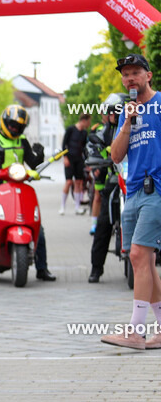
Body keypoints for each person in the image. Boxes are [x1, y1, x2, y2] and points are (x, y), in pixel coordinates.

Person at [102, 54, 161, 349]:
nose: (130, 79)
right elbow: (115, 156)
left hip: (158, 191)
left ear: (148, 75)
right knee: (145, 262)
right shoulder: (128, 112)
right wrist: (127, 122)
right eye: (125, 75)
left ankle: (135, 332)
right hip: (134, 191)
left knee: (138, 256)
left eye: (136, 72)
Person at [0, 105, 55, 281]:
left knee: (36, 225)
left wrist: (39, 155)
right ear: (5, 122)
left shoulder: (22, 140)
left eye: (18, 126)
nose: (14, 128)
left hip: (17, 185)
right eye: (12, 124)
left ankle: (42, 268)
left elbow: (33, 164)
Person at [88, 94, 125, 282]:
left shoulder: (135, 127)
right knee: (103, 223)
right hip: (114, 180)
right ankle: (96, 268)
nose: (107, 116)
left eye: (111, 113)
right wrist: (98, 156)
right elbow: (93, 148)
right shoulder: (104, 132)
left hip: (135, 180)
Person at [61, 113, 91, 214]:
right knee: (69, 182)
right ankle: (62, 207)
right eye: (88, 121)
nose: (89, 124)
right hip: (69, 159)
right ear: (84, 120)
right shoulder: (71, 129)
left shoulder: (84, 133)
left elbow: (85, 149)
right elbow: (64, 144)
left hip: (79, 160)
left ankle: (77, 207)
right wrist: (65, 157)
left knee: (79, 183)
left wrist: (87, 162)